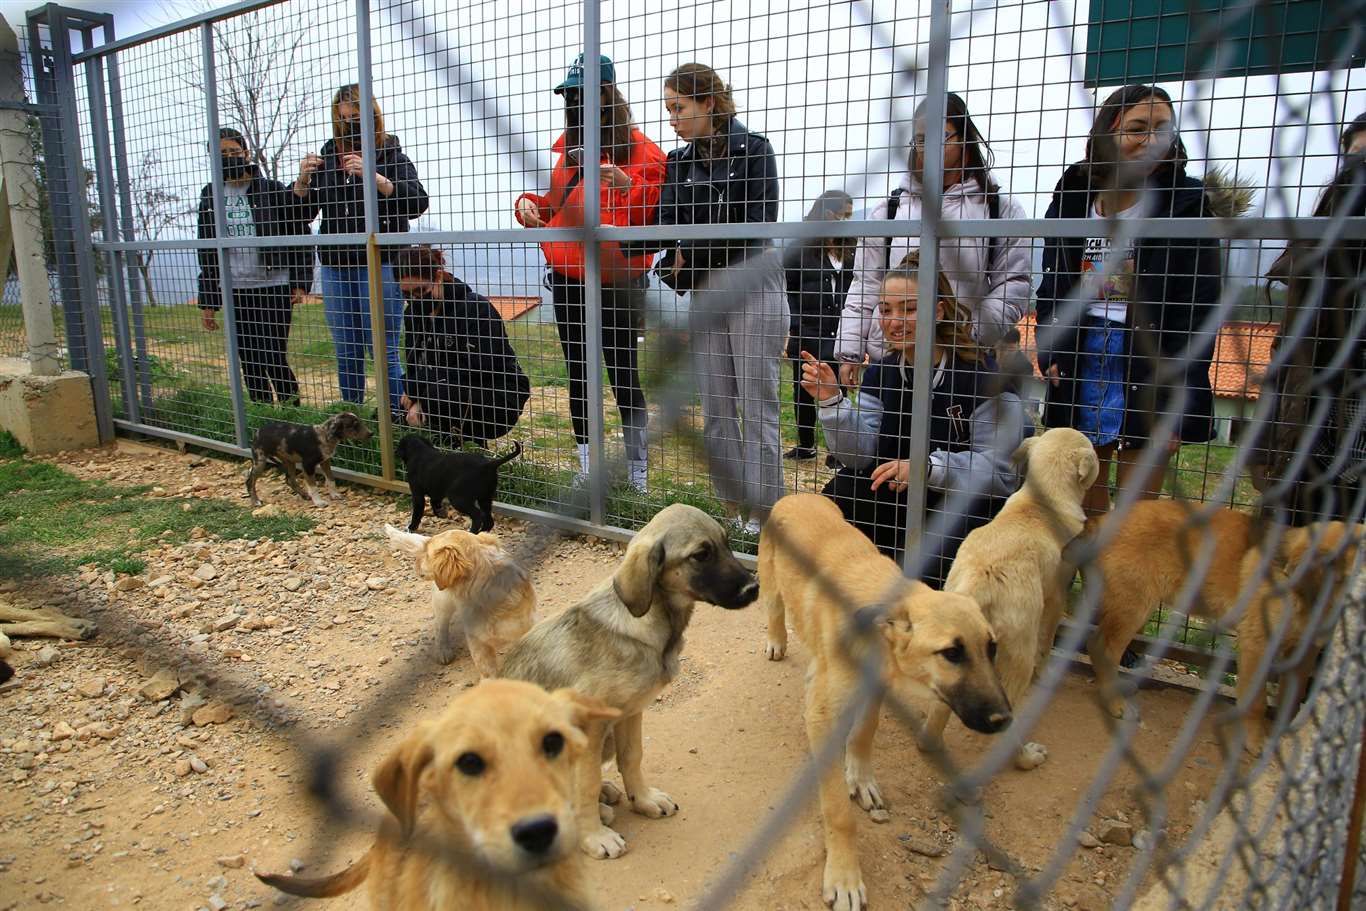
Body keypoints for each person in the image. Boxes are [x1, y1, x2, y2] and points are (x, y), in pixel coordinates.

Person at [1035, 84, 1249, 516]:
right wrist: (1049, 346)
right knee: (1083, 502)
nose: (1151, 139)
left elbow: (1200, 309)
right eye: (1137, 127)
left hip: (1151, 356)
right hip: (1081, 350)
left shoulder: (1186, 206)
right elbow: (1052, 282)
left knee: (1137, 513)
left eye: (1162, 129)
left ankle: (1125, 578)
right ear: (1107, 134)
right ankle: (1094, 580)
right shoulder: (1074, 197)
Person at [805, 251, 1027, 586]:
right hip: (896, 499)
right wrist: (834, 404)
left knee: (926, 575)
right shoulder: (881, 372)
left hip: (959, 509)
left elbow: (1001, 474)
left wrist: (929, 469)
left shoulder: (984, 378)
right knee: (830, 510)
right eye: (886, 310)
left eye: (909, 309)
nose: (894, 322)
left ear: (938, 311)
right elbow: (858, 456)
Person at [514, 53, 665, 491]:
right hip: (568, 278)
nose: (573, 103)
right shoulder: (569, 154)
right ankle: (587, 468)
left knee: (622, 372)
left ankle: (637, 473)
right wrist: (529, 206)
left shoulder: (643, 152)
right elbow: (552, 205)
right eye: (568, 96)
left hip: (618, 281)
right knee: (579, 372)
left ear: (605, 95)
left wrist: (624, 185)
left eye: (580, 94)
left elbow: (649, 213)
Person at [655, 62, 786, 535]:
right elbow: (668, 223)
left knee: (758, 403)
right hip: (709, 290)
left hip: (752, 284)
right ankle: (732, 508)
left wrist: (693, 249)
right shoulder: (679, 160)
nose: (672, 118)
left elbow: (757, 227)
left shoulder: (754, 150)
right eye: (668, 109)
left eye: (679, 107)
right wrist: (688, 249)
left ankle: (767, 514)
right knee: (715, 406)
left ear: (708, 103)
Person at [836, 92, 1030, 386]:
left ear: (965, 138)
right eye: (921, 139)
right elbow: (866, 284)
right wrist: (849, 351)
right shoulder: (889, 211)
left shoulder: (999, 209)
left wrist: (970, 332)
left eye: (941, 136)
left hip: (964, 359)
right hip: (894, 356)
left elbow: (1013, 285)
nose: (930, 147)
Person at [1253, 117, 1366, 525]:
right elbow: (1287, 357)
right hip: (1323, 414)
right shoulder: (1317, 251)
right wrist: (1266, 445)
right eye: (1357, 161)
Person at [294, 83, 428, 418]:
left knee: (383, 350)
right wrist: (301, 183)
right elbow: (301, 216)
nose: (351, 125)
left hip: (381, 264)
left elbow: (417, 202)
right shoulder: (327, 159)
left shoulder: (391, 153)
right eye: (344, 119)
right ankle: (350, 421)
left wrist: (376, 178)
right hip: (336, 266)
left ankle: (397, 419)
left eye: (357, 118)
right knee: (347, 349)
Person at [197, 127, 313, 406]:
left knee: (274, 356)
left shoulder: (271, 189)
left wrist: (300, 281)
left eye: (234, 152)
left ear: (246, 153)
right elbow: (207, 248)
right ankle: (264, 417)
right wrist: (208, 300)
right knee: (248, 360)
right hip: (236, 288)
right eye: (222, 154)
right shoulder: (211, 194)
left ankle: (291, 414)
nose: (229, 157)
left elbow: (300, 233)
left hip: (273, 285)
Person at [394, 246, 530, 448]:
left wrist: (420, 392)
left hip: (497, 395)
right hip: (442, 390)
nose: (414, 299)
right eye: (407, 294)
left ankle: (467, 451)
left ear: (438, 277)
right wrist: (412, 393)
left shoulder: (475, 308)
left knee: (437, 396)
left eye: (421, 290)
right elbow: (415, 364)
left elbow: (479, 369)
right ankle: (443, 450)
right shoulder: (413, 315)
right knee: (392, 414)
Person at [782, 190, 854, 462]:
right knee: (803, 388)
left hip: (841, 329)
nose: (846, 220)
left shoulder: (852, 247)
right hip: (808, 330)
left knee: (839, 388)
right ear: (826, 213)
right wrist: (796, 324)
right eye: (842, 214)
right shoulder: (799, 248)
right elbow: (785, 288)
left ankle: (839, 449)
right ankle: (806, 443)